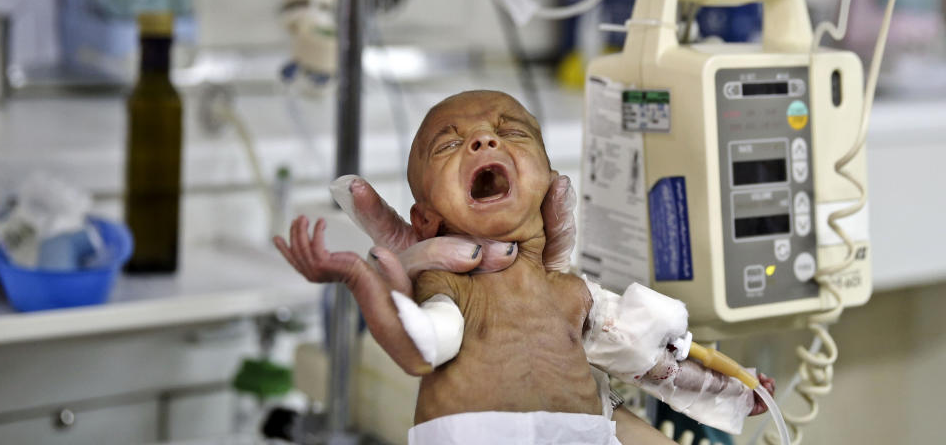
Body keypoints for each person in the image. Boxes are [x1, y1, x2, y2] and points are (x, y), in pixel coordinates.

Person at [275, 90, 771, 443]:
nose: (484, 142)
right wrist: (358, 276)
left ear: (548, 181)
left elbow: (653, 361)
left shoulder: (571, 294)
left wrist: (733, 392)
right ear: (426, 220)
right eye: (449, 145)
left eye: (509, 131)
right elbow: (420, 348)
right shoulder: (452, 287)